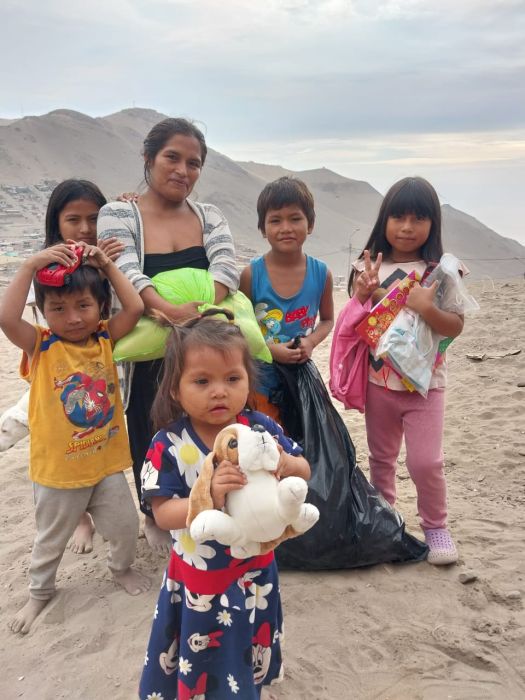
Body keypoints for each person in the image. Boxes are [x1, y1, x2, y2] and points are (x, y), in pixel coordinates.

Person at [139, 310, 310, 699]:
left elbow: (304, 470)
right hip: (202, 578)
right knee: (204, 657)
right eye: (202, 381)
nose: (219, 391)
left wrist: (286, 463)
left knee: (247, 651)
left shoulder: (260, 429)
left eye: (232, 379)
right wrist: (209, 497)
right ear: (175, 389)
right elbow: (163, 514)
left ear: (248, 380)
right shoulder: (169, 444)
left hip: (256, 571)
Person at [97, 118, 240, 554]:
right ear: (148, 158)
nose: (182, 170)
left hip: (207, 343)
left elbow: (226, 265)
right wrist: (169, 312)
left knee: (210, 424)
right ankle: (153, 511)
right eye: (172, 158)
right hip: (151, 351)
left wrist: (201, 312)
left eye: (193, 163)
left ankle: (214, 499)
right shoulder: (119, 214)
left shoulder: (209, 215)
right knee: (150, 426)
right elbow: (125, 271)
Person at [0, 242, 151, 634]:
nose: (72, 318)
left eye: (83, 305)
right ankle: (40, 592)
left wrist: (107, 265)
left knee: (124, 527)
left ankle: (121, 568)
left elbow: (135, 307)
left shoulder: (105, 338)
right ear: (41, 312)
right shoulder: (40, 346)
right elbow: (5, 317)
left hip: (105, 466)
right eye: (58, 308)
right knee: (50, 541)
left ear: (100, 306)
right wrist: (30, 265)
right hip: (58, 475)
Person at [0, 179, 124, 555]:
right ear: (56, 223)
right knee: (36, 426)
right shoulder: (48, 267)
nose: (85, 228)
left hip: (100, 362)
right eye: (74, 219)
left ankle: (91, 511)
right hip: (52, 364)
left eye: (95, 218)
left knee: (89, 440)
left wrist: (109, 261)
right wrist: (35, 264)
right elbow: (17, 317)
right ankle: (81, 520)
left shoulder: (109, 254)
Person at [347, 176, 465, 565]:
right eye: (398, 217)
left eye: (419, 218)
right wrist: (365, 293)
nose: (407, 227)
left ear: (433, 223)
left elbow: (455, 326)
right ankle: (386, 527)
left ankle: (436, 528)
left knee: (426, 462)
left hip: (426, 386)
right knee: (381, 460)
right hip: (378, 381)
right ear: (384, 220)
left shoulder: (441, 272)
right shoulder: (367, 267)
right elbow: (355, 320)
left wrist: (427, 307)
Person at [239, 176, 333, 422]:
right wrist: (269, 350)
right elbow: (239, 329)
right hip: (260, 383)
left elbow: (327, 320)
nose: (286, 228)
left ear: (310, 224)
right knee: (266, 438)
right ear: (263, 229)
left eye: (295, 218)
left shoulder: (321, 274)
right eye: (275, 220)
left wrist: (310, 342)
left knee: (303, 439)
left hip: (301, 382)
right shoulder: (251, 275)